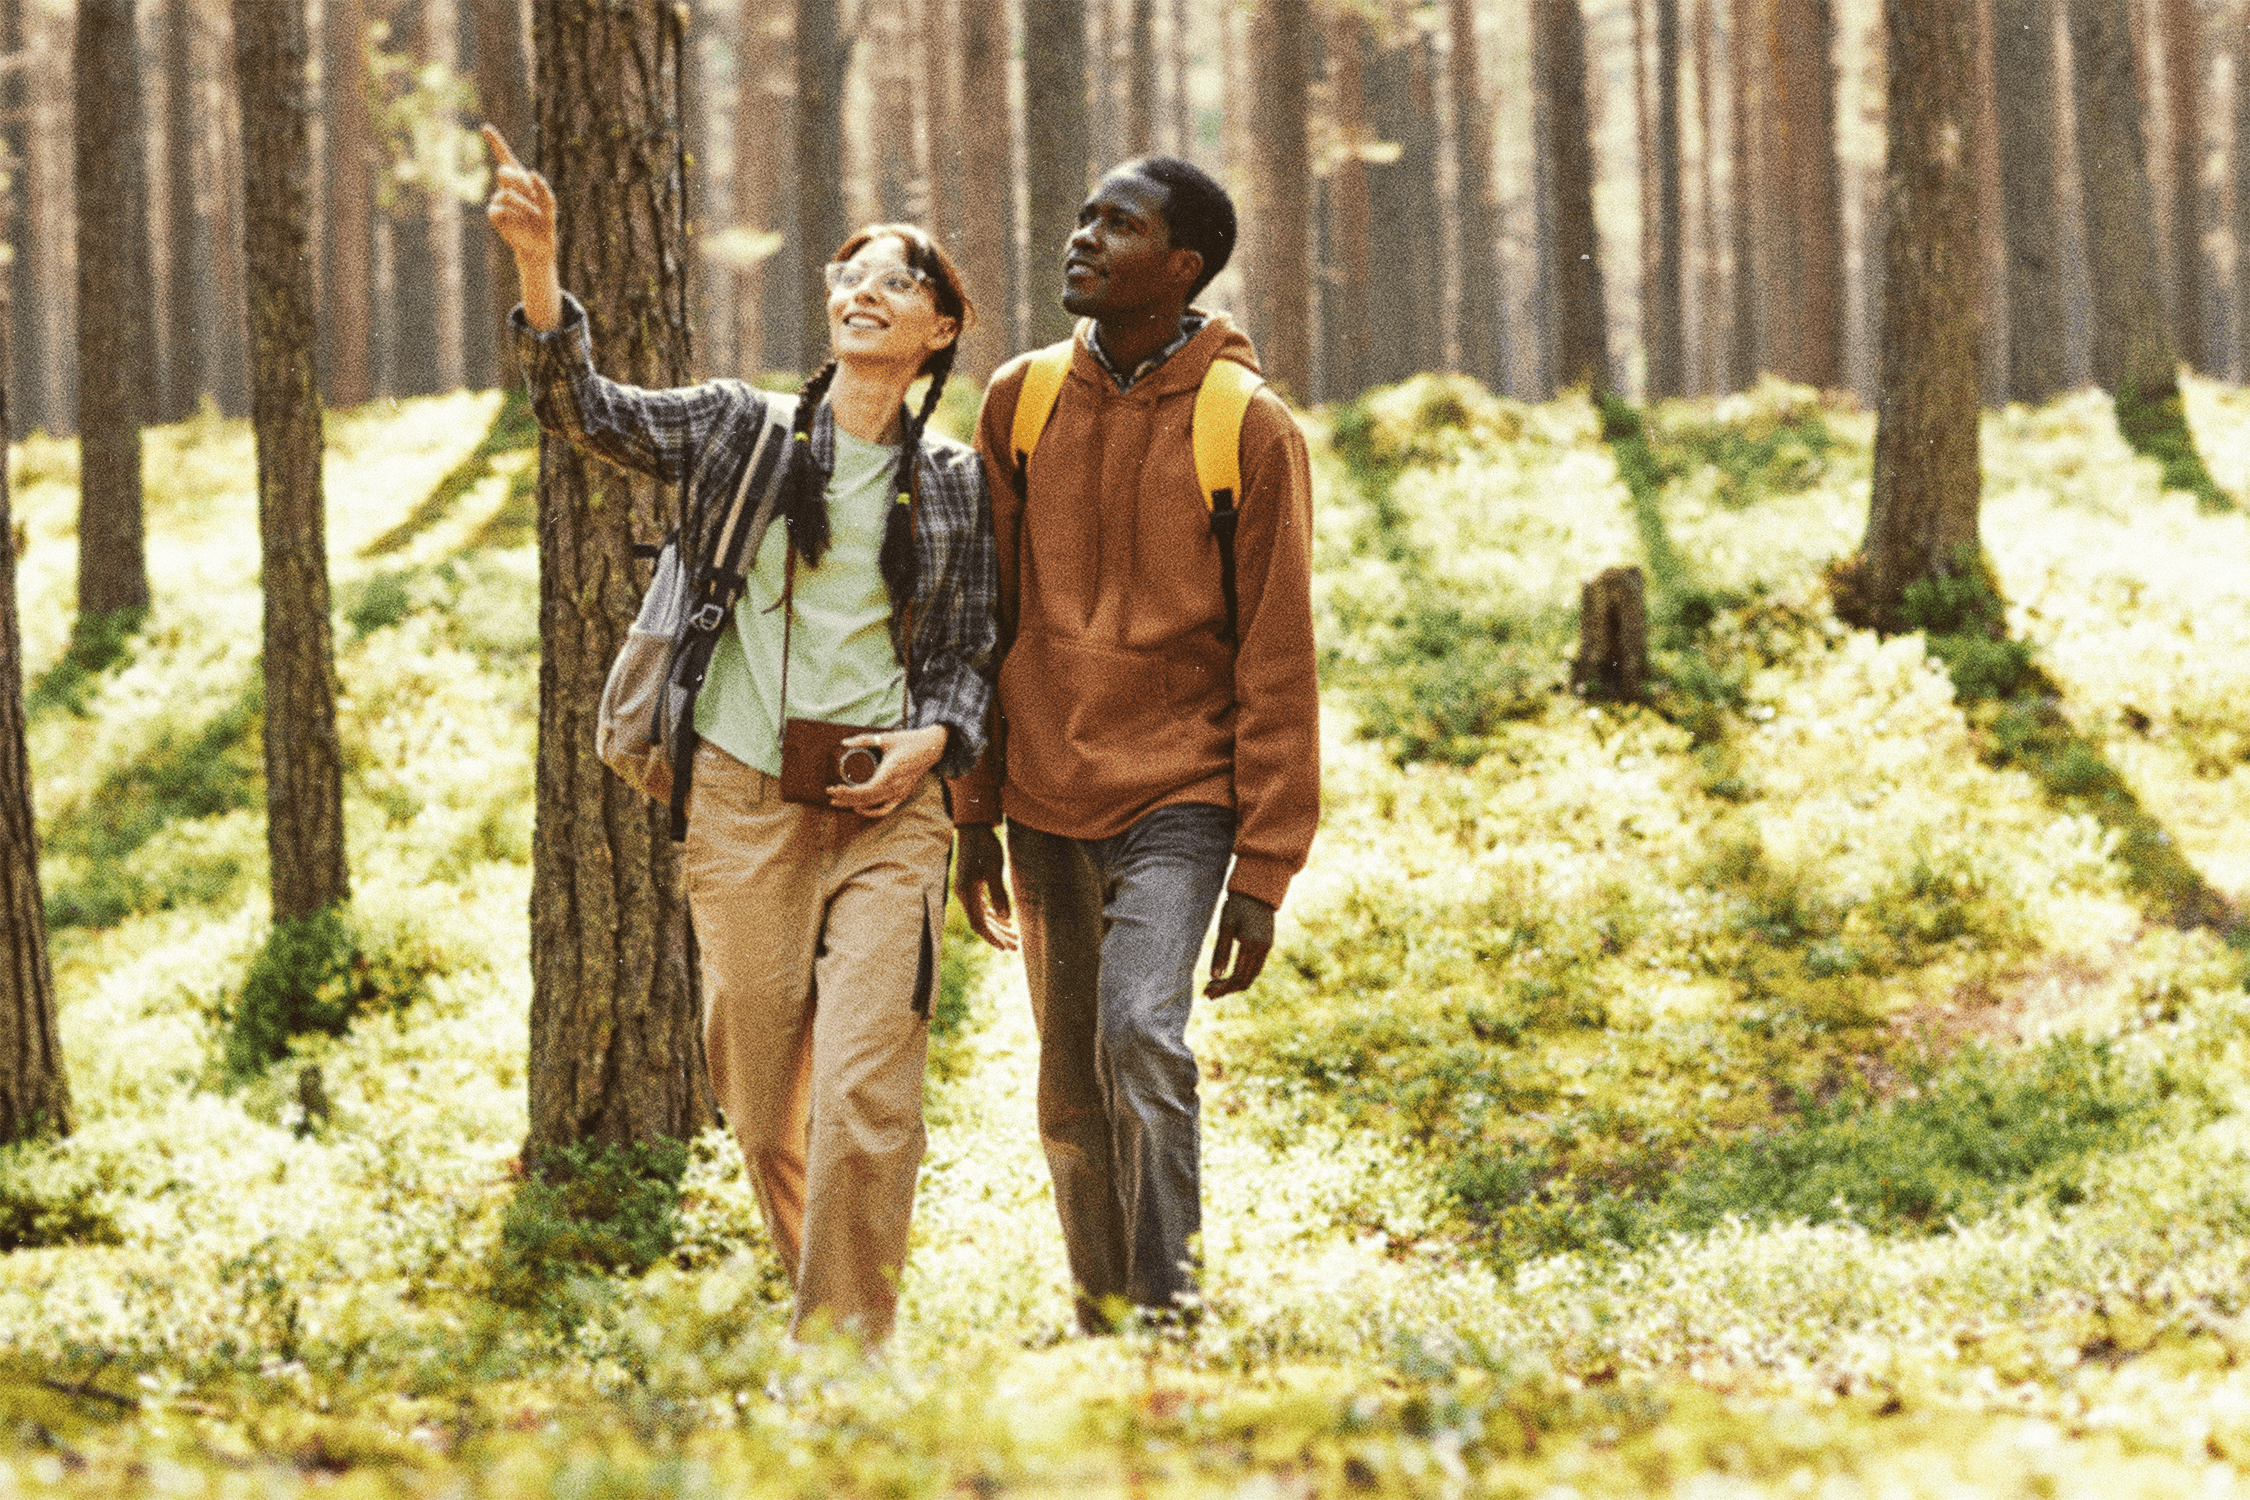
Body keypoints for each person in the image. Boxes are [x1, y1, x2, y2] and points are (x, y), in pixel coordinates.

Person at [483, 126, 998, 1345]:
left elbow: (971, 653)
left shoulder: (960, 481)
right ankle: (828, 1304)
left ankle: (846, 1358)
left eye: (899, 281)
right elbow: (586, 412)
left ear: (937, 331)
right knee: (767, 1111)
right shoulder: (738, 431)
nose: (865, 290)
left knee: (870, 1092)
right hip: (742, 802)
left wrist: (936, 743)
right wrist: (540, 271)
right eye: (851, 273)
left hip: (890, 813)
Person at [951, 156, 1319, 1332]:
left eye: (1120, 223)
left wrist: (1261, 874)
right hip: (1044, 796)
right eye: (1082, 213)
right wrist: (974, 811)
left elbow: (1278, 656)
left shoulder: (1249, 429)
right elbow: (987, 615)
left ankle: (1170, 1317)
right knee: (1068, 1084)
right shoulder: (1019, 400)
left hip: (1184, 796)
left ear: (1184, 266)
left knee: (1139, 1033)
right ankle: (1103, 1317)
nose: (1084, 237)